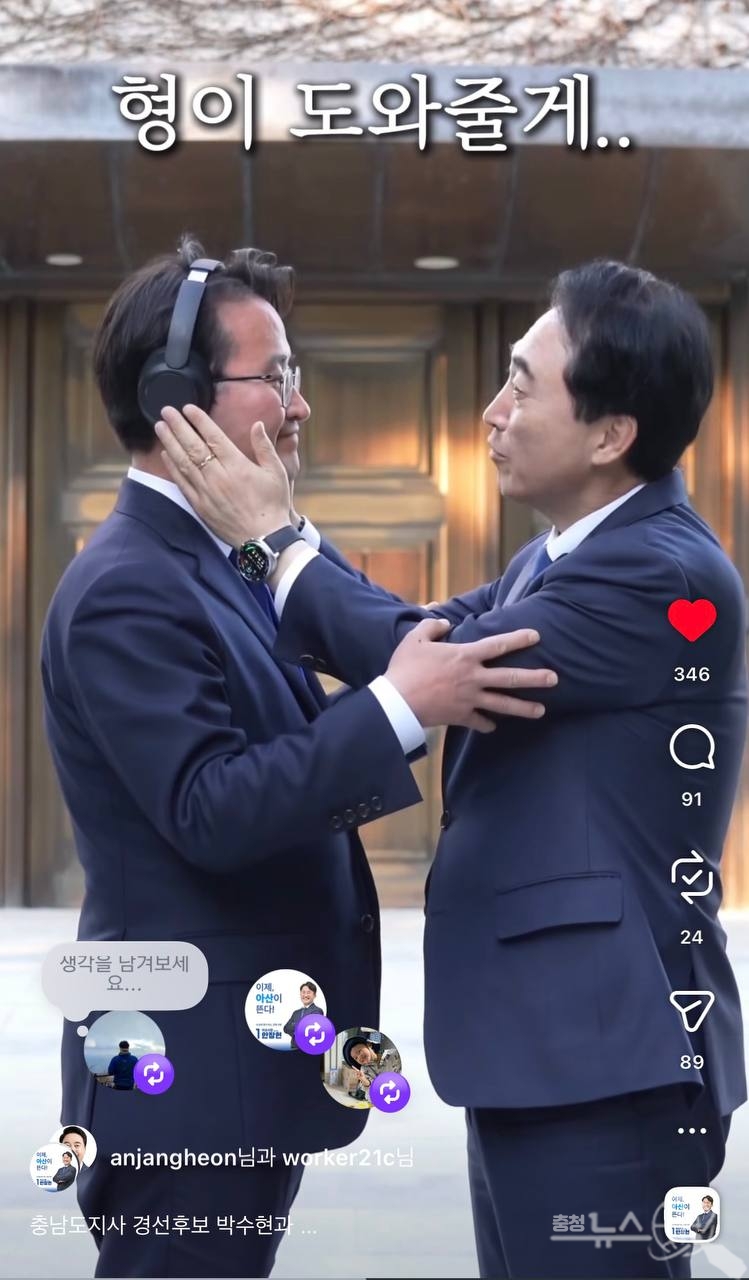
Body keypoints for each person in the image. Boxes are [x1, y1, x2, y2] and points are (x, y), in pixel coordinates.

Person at [158, 258, 748, 1280]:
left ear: (610, 434)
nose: (491, 413)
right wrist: (281, 541)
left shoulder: (660, 571)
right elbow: (412, 636)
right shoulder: (558, 556)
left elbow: (417, 659)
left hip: (604, 1059)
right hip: (549, 1047)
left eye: (522, 385)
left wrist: (266, 539)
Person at [40, 236, 555, 1279]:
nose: (299, 405)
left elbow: (390, 630)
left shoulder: (226, 557)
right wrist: (397, 707)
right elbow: (210, 809)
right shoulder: (128, 585)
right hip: (181, 1076)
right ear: (175, 397)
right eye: (274, 377)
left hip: (234, 1062)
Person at [282, 980, 324, 1049]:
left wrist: (294, 1025)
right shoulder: (296, 1013)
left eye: (308, 992)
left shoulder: (317, 1011)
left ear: (314, 995)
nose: (305, 995)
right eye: (303, 992)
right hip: (294, 1047)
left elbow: (311, 1030)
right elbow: (286, 1028)